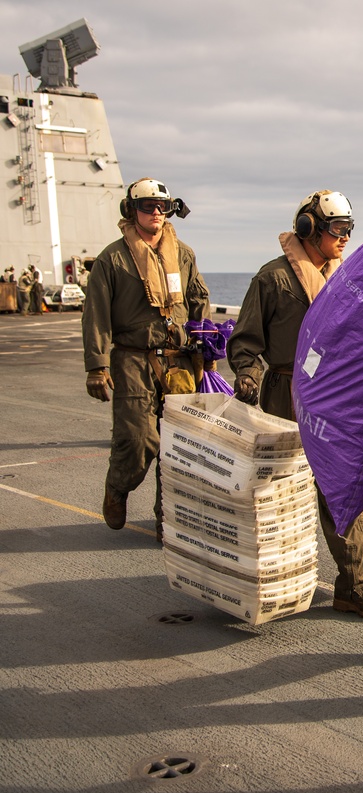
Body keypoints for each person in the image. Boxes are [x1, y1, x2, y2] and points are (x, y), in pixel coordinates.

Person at [226, 191, 363, 620]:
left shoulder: (351, 279)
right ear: (308, 230)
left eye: (349, 229)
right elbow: (245, 340)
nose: (346, 238)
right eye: (338, 229)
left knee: (347, 483)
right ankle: (275, 576)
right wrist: (246, 373)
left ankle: (357, 586)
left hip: (340, 395)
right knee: (281, 492)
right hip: (287, 395)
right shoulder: (273, 280)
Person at [82, 177, 210, 538]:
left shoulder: (182, 253)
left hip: (180, 359)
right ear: (131, 210)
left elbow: (198, 299)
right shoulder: (113, 259)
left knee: (178, 445)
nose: (156, 212)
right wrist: (97, 366)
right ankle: (118, 486)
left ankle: (166, 519)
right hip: (133, 359)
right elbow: (96, 313)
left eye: (162, 206)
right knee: (138, 440)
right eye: (147, 206)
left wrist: (208, 349)